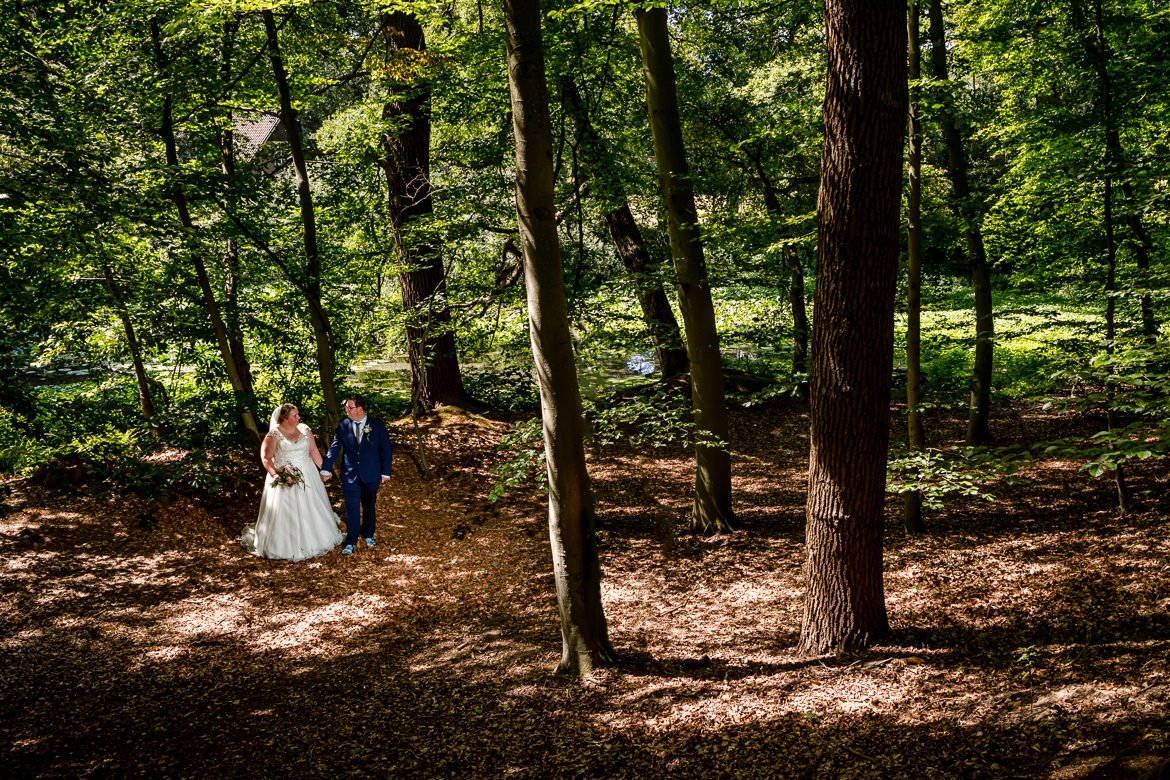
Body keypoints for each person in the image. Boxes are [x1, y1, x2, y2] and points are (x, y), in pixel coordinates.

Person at [241, 404, 344, 561]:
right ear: (284, 418)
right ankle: (285, 546)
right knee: (287, 510)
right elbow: (266, 458)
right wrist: (275, 474)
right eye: (294, 415)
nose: (298, 418)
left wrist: (324, 469)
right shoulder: (273, 435)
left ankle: (316, 539)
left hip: (308, 474)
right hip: (285, 475)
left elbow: (313, 450)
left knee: (311, 505)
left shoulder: (305, 429)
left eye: (298, 415)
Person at [320, 395, 393, 555]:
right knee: (351, 508)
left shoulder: (377, 425)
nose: (346, 410)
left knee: (369, 506)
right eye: (346, 407)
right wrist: (326, 468)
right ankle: (351, 540)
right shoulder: (343, 426)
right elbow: (334, 448)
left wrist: (386, 472)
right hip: (350, 474)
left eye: (349, 407)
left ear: (359, 409)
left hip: (371, 473)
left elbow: (386, 450)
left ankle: (368, 534)